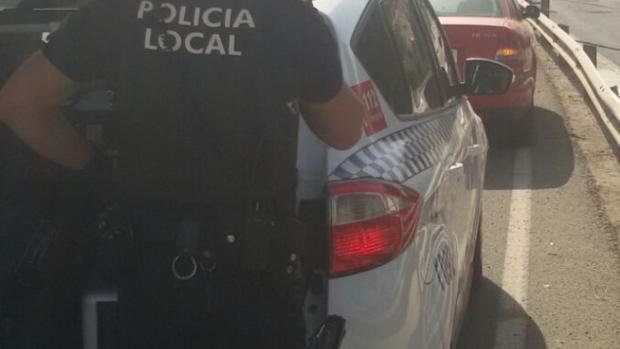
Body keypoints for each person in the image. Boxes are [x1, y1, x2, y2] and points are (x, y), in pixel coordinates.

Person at [0, 0, 364, 347]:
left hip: (149, 276)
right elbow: (345, 131)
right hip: (253, 284)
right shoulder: (287, 16)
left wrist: (97, 169)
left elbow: (19, 104)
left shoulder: (120, 10)